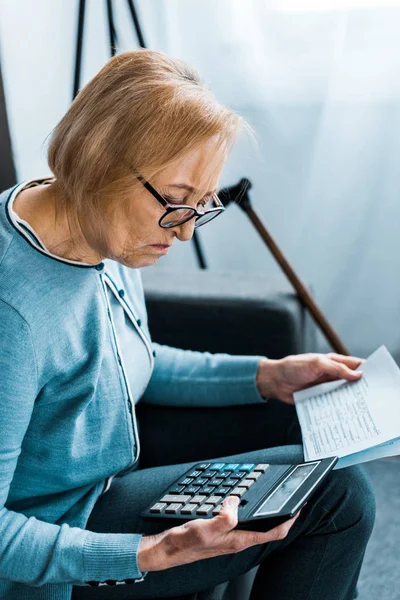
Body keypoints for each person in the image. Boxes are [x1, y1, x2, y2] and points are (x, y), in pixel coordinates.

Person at [0, 49, 375, 600]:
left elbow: (130, 357)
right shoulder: (14, 315)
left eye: (201, 206)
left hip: (105, 481)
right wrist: (149, 554)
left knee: (312, 439)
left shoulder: (94, 229)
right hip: (59, 546)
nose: (184, 234)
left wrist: (268, 375)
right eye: (176, 204)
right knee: (337, 496)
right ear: (99, 159)